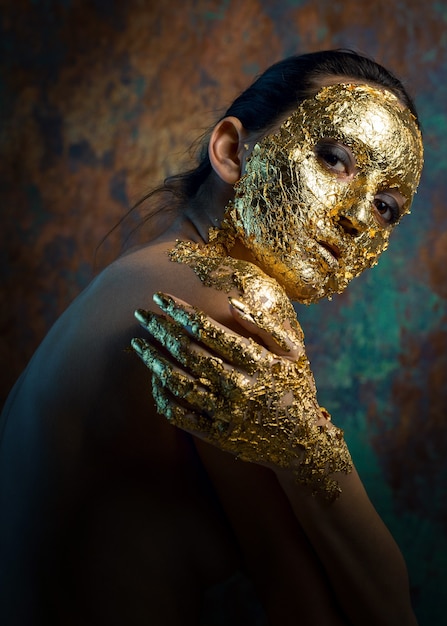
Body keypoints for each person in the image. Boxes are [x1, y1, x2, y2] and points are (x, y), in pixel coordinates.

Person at [0, 50, 423, 626]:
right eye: (335, 159)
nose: (356, 218)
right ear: (230, 151)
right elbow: (364, 611)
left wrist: (301, 445)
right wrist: (307, 451)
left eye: (386, 206)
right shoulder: (226, 300)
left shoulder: (145, 272)